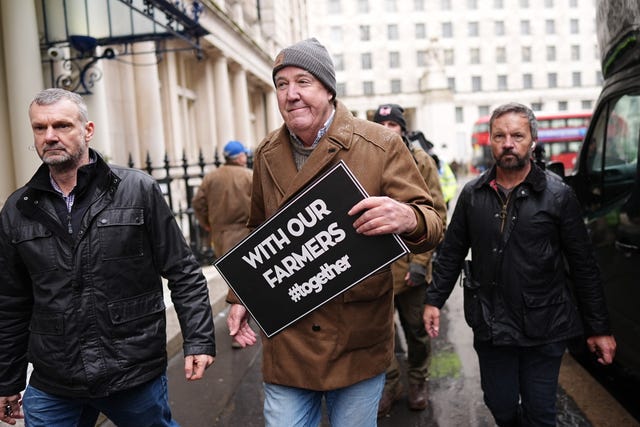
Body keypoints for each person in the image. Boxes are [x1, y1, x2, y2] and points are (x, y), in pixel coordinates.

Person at [225, 38, 443, 427]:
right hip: (289, 336)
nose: (291, 95)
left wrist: (408, 218)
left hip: (356, 335)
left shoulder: (381, 144)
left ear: (328, 89)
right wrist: (242, 294)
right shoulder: (265, 154)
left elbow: (433, 222)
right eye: (281, 84)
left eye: (303, 82)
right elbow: (258, 230)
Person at [0, 88, 216, 427]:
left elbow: (183, 270)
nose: (50, 136)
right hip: (55, 378)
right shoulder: (19, 208)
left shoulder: (136, 190)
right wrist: (8, 381)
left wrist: (199, 339)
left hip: (131, 371)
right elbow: (11, 301)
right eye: (40, 128)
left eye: (61, 125)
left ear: (87, 130)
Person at [423, 102, 617, 427]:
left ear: (532, 141)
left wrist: (599, 328)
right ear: (491, 141)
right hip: (491, 325)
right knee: (500, 405)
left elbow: (584, 266)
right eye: (500, 136)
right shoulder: (472, 195)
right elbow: (452, 253)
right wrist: (433, 300)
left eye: (517, 135)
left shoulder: (559, 196)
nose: (508, 143)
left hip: (545, 327)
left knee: (540, 414)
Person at [372, 104, 447, 416]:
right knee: (379, 334)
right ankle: (390, 383)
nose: (388, 128)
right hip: (375, 271)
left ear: (402, 128)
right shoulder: (365, 162)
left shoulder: (420, 161)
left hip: (410, 267)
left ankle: (417, 379)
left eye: (394, 123)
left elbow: (435, 214)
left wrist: (420, 262)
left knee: (416, 330)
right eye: (382, 124)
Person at [192, 140, 252, 258]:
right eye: (244, 155)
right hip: (244, 233)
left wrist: (206, 223)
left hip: (219, 235)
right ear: (239, 158)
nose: (246, 157)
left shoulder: (210, 177)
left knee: (228, 273)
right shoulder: (249, 176)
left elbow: (198, 203)